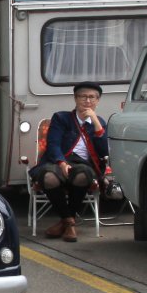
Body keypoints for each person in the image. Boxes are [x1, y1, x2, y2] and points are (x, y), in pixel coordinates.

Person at [30, 82, 109, 242]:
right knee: (49, 178)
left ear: (98, 100)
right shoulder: (61, 118)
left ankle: (66, 222)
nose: (87, 101)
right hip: (57, 161)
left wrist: (95, 122)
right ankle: (69, 223)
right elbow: (53, 144)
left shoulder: (99, 122)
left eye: (92, 97)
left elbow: (104, 152)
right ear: (75, 98)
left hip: (83, 164)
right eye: (83, 96)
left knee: (83, 176)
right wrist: (61, 162)